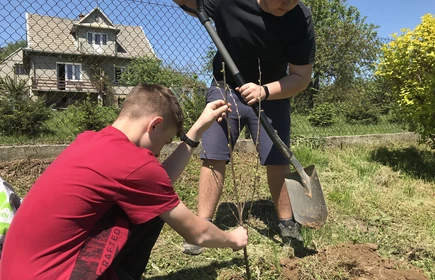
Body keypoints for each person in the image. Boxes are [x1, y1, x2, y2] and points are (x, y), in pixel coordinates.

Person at [0, 83, 248, 280]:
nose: (159, 153)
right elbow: (198, 234)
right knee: (153, 213)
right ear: (154, 125)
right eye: (163, 143)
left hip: (17, 270)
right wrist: (234, 239)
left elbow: (156, 184)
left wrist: (195, 132)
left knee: (151, 208)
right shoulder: (134, 164)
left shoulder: (91, 141)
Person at [174, 0, 315, 255]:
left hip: (272, 93)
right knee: (214, 155)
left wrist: (264, 91)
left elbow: (301, 77)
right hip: (225, 85)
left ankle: (287, 222)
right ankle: (202, 226)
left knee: (278, 159)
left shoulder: (299, 18)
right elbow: (188, 3)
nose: (288, 4)